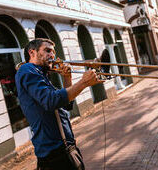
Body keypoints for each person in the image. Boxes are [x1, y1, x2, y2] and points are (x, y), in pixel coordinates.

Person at [15, 38, 104, 170]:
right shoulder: (27, 70)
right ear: (32, 52)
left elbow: (66, 105)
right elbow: (50, 101)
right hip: (54, 154)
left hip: (66, 148)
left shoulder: (42, 75)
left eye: (53, 52)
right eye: (47, 51)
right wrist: (84, 83)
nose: (52, 55)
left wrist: (67, 79)